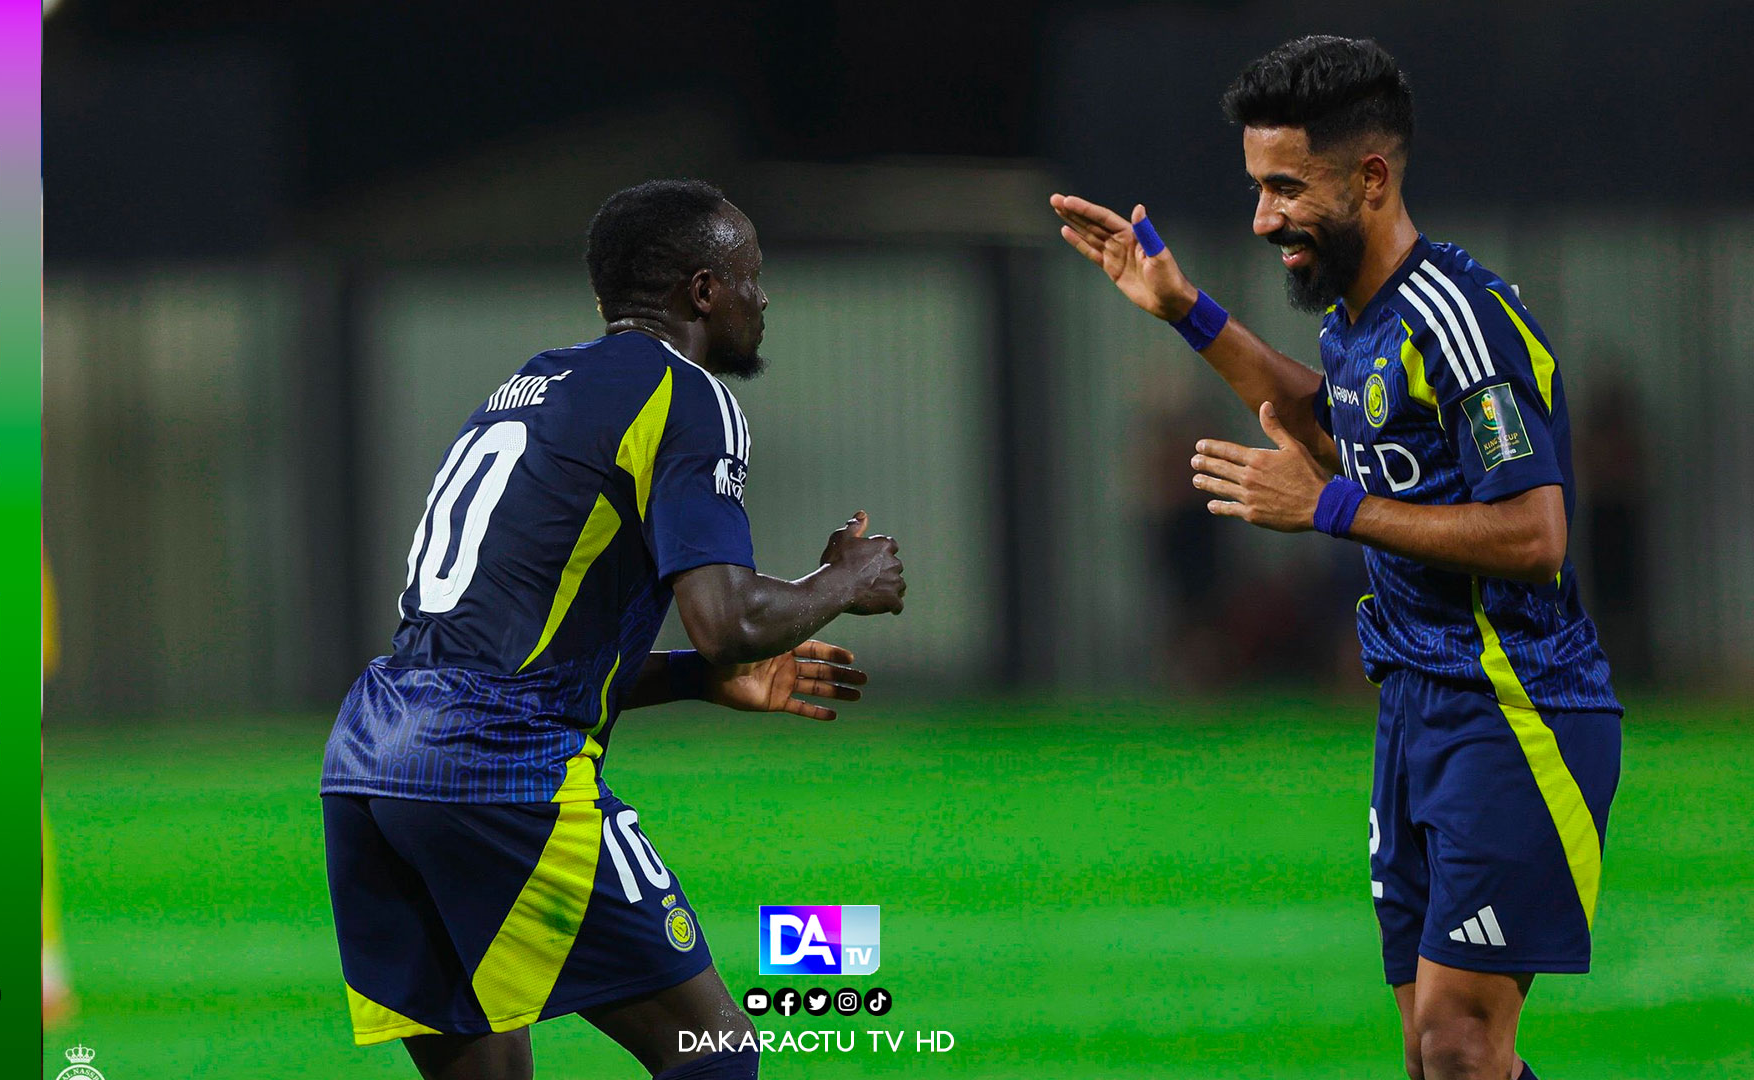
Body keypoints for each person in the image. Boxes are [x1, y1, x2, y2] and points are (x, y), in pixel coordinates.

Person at [1051, 36, 1621, 1080]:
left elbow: (1535, 536)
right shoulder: (1360, 325)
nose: (1264, 219)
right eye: (1256, 189)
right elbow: (1333, 427)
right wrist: (1185, 310)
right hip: (1416, 704)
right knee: (1431, 1054)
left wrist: (1331, 508)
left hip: (1518, 706)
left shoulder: (1460, 322)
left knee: (1457, 1043)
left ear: (1370, 177)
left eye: (1285, 188)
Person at [320, 178, 906, 1080]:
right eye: (751, 276)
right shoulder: (685, 393)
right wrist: (843, 581)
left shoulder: (528, 387)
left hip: (371, 762)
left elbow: (505, 656)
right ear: (703, 291)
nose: (764, 298)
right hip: (498, 765)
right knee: (714, 1051)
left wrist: (699, 680)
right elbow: (727, 620)